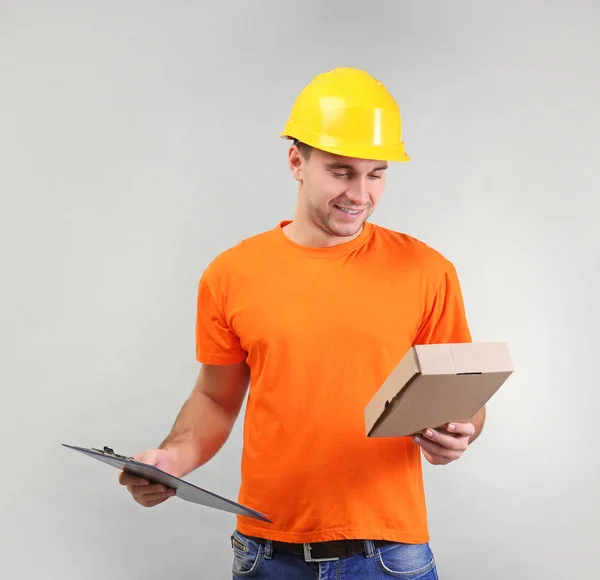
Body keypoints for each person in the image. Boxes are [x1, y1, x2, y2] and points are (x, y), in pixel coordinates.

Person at [118, 67, 486, 579]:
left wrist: (459, 434)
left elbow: (465, 402)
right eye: (341, 171)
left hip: (388, 556)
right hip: (266, 554)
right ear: (297, 161)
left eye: (376, 173)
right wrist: (171, 461)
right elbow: (215, 398)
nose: (361, 194)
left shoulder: (427, 271)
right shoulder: (231, 273)